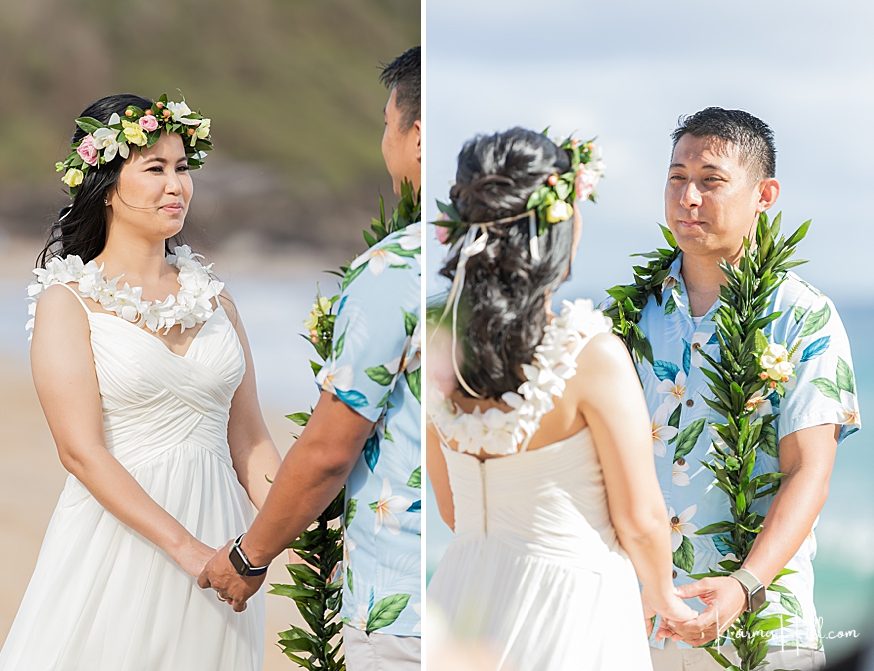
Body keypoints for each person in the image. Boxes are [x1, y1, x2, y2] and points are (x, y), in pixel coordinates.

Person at [0, 93, 280, 670]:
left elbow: (250, 442)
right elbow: (81, 453)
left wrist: (294, 532)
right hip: (122, 538)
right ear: (105, 182)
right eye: (155, 169)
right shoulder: (67, 302)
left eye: (182, 168)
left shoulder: (217, 299)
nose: (176, 185)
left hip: (225, 548)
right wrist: (187, 550)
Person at [426, 127, 696, 671]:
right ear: (557, 229)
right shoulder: (589, 354)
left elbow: (453, 509)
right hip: (571, 610)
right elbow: (641, 520)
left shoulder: (439, 343)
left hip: (463, 599)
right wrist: (665, 597)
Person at [199, 46, 422, 671]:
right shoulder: (516, 267)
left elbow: (328, 450)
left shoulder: (397, 270)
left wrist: (250, 556)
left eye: (386, 124)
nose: (384, 143)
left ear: (418, 136)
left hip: (407, 606)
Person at [623, 107, 862, 670]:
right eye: (677, 178)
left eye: (711, 181)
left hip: (763, 625)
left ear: (764, 194)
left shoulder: (803, 315)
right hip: (637, 624)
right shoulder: (633, 316)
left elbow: (810, 471)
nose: (688, 197)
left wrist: (743, 585)